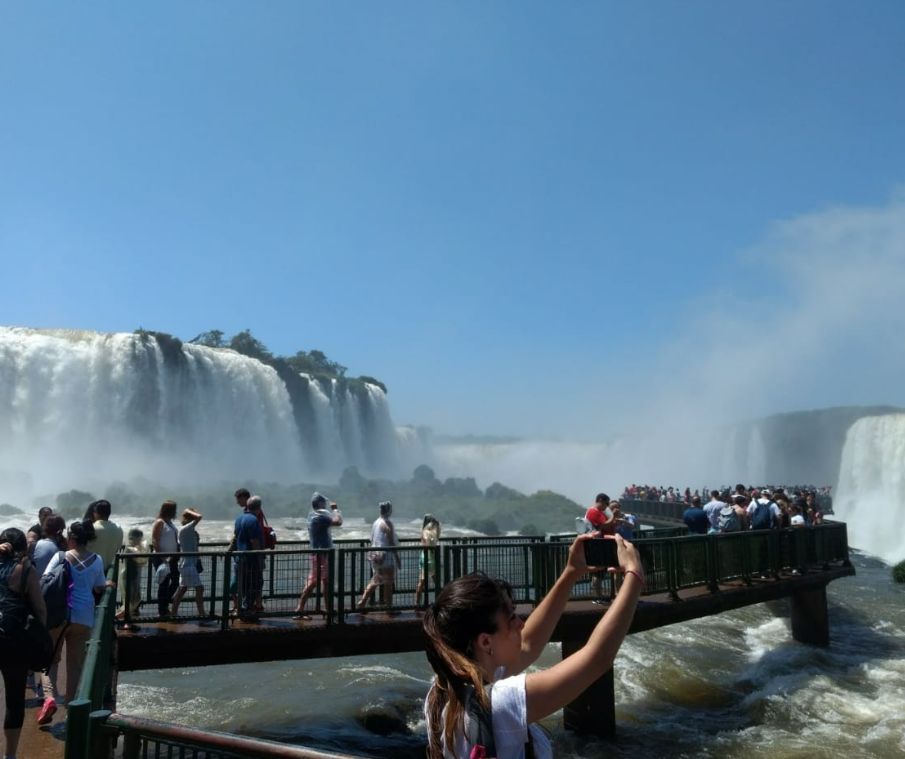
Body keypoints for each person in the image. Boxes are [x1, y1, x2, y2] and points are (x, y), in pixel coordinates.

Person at [423, 533, 643, 759]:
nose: (521, 623)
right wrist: (634, 575)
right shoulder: (500, 701)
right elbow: (598, 658)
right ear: (485, 641)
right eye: (510, 618)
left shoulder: (443, 693)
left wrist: (571, 572)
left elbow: (528, 643)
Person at [40, 519, 113, 725]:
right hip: (84, 617)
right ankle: (72, 710)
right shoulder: (97, 559)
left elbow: (46, 579)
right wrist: (106, 583)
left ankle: (50, 698)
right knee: (76, 665)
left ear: (71, 538)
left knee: (50, 661)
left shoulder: (60, 556)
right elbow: (99, 587)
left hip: (59, 616)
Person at [0, 528, 47, 756]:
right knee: (14, 701)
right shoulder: (26, 569)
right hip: (13, 642)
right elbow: (40, 609)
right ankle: (9, 755)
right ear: (23, 548)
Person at [294, 492, 342, 620]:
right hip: (322, 555)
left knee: (315, 582)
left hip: (318, 554)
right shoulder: (320, 517)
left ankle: (302, 609)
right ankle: (327, 610)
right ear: (320, 504)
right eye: (324, 503)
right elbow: (338, 522)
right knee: (324, 583)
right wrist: (335, 509)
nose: (325, 505)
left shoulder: (312, 515)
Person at [358, 501, 401, 612]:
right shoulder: (387, 523)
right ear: (389, 511)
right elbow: (391, 542)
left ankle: (362, 601)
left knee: (376, 580)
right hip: (385, 556)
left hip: (375, 555)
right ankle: (389, 608)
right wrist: (397, 557)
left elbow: (372, 539)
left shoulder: (376, 522)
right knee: (388, 583)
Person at [234, 496, 263, 622]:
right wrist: (260, 559)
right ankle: (248, 611)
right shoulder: (253, 520)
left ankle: (243, 611)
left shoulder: (239, 518)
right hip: (250, 559)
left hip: (239, 558)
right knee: (256, 583)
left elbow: (236, 537)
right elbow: (254, 542)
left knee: (244, 586)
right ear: (259, 508)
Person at [172, 509, 205, 618]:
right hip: (188, 564)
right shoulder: (187, 528)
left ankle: (173, 613)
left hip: (188, 563)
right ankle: (202, 614)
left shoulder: (187, 530)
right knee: (199, 588)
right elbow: (199, 516)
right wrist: (188, 511)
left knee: (183, 588)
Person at [151, 500, 180, 617]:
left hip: (172, 558)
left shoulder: (170, 523)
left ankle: (164, 604)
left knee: (176, 581)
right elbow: (154, 540)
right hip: (161, 558)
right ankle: (162, 610)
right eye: (174, 509)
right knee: (164, 583)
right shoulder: (160, 522)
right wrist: (162, 556)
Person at [115, 528, 148, 629]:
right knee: (129, 601)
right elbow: (141, 558)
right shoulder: (129, 548)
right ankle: (123, 620)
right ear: (133, 538)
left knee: (135, 599)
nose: (141, 540)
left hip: (134, 577)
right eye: (139, 538)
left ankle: (119, 618)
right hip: (127, 577)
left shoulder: (135, 547)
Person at [415, 514, 441, 608]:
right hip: (428, 558)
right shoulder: (427, 532)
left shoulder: (425, 531)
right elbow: (428, 543)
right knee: (434, 581)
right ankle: (440, 602)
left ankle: (417, 603)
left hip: (426, 558)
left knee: (423, 582)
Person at [91, 499, 124, 571]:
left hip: (92, 572)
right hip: (109, 571)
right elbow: (118, 547)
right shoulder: (118, 529)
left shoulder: (92, 529)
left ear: (96, 513)